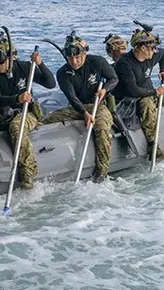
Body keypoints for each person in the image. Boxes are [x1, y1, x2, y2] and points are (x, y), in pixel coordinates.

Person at [41, 32, 119, 182]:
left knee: (102, 128)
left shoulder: (98, 62)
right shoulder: (63, 73)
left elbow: (114, 78)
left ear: (84, 53)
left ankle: (102, 169)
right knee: (47, 119)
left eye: (78, 57)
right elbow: (71, 97)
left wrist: (105, 89)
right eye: (71, 58)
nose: (75, 61)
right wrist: (84, 112)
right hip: (77, 107)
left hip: (98, 104)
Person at [0, 38, 56, 189]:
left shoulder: (24, 68)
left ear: (11, 57)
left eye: (1, 62)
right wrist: (16, 98)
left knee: (17, 127)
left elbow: (50, 83)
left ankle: (28, 172)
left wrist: (40, 64)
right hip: (3, 112)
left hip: (26, 112)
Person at [114, 28, 164, 160]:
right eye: (151, 48)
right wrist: (155, 91)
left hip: (145, 91)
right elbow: (132, 90)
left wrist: (163, 70)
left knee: (148, 101)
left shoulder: (152, 56)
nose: (154, 51)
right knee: (146, 104)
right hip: (127, 99)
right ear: (142, 48)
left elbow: (163, 54)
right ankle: (152, 144)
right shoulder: (124, 64)